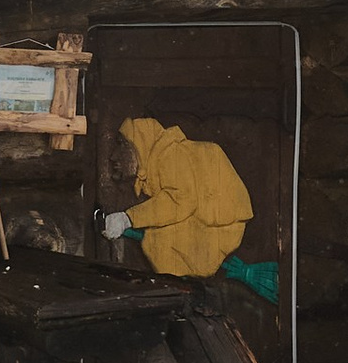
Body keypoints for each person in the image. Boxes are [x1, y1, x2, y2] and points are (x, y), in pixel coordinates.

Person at [100, 115, 276, 298]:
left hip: (220, 226)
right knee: (157, 240)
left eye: (122, 145)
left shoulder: (171, 155)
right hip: (209, 220)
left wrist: (128, 218)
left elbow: (181, 200)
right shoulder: (158, 161)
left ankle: (177, 293)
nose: (113, 156)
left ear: (139, 144)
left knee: (156, 241)